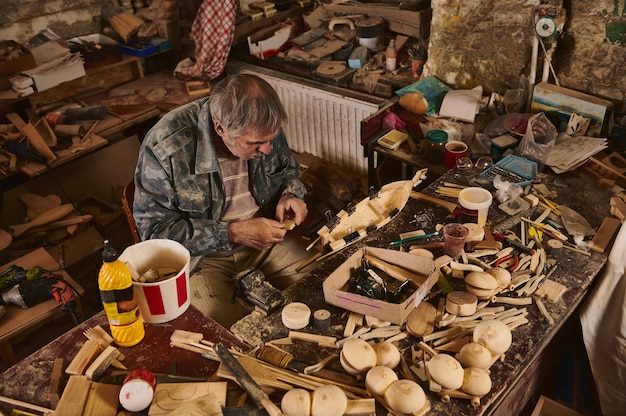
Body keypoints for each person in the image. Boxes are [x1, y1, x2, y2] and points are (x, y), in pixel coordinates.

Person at [132, 73, 311, 327]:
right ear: (220, 128)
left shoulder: (263, 127)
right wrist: (231, 232)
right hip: (203, 259)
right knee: (225, 334)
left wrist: (290, 193)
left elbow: (288, 169)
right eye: (256, 143)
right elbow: (155, 234)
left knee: (321, 284)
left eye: (270, 140)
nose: (267, 149)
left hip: (267, 242)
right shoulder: (167, 145)